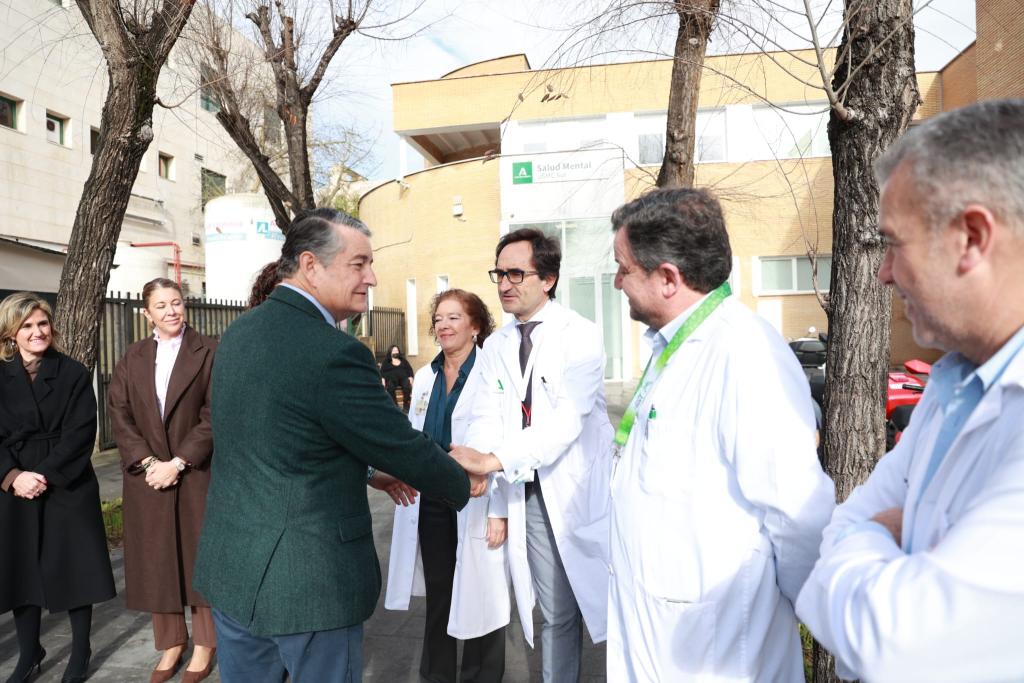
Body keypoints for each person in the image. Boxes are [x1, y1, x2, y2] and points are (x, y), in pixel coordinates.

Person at [192, 208, 485, 683]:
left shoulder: (239, 333)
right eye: (359, 263)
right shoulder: (333, 351)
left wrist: (369, 473)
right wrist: (463, 479)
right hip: (309, 584)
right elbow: (396, 442)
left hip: (234, 572)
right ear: (311, 265)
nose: (371, 277)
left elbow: (283, 437)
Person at [795, 99, 1024, 681]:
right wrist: (879, 540)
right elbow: (848, 522)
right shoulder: (955, 380)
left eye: (895, 243)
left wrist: (869, 539)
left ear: (972, 236)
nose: (883, 273)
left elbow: (902, 643)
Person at [606, 188, 835, 681]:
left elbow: (796, 513)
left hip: (719, 650)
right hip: (665, 634)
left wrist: (822, 620)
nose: (617, 281)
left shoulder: (745, 354)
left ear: (668, 277)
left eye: (623, 267)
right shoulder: (675, 349)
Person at [450, 228, 613, 683]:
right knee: (555, 611)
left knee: (611, 608)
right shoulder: (498, 346)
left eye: (516, 272)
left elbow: (566, 422)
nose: (504, 283)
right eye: (499, 273)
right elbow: (485, 413)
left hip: (580, 491)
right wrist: (483, 463)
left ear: (549, 279)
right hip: (529, 493)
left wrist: (493, 460)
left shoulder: (579, 335)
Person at [385, 289, 515, 683]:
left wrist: (500, 510)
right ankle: (437, 675)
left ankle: (483, 675)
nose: (443, 325)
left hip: (478, 497)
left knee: (484, 592)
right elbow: (413, 434)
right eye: (439, 317)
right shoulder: (425, 376)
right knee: (440, 593)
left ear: (476, 326)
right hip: (433, 500)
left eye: (454, 317)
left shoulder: (494, 372)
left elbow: (508, 442)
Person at [0, 292, 116, 683]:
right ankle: (29, 652)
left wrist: (43, 475)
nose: (37, 332)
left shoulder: (72, 373)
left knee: (74, 567)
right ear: (11, 334)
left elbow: (81, 433)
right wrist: (14, 476)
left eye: (42, 323)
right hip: (14, 483)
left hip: (66, 481)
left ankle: (80, 651)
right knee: (23, 570)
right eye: (27, 326)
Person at [107, 278, 218, 683]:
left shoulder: (208, 351)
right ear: (146, 313)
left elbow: (214, 412)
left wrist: (181, 460)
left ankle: (205, 645)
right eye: (161, 305)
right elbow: (119, 412)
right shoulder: (132, 356)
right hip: (149, 476)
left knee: (199, 557)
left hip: (195, 472)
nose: (171, 310)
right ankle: (171, 644)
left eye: (176, 302)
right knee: (158, 560)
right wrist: (149, 461)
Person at [380, 344, 415, 413]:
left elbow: (409, 369)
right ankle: (395, 406)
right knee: (390, 387)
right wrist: (383, 380)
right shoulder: (386, 361)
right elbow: (381, 372)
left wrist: (411, 377)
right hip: (391, 379)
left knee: (407, 386)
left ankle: (406, 405)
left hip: (403, 378)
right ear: (390, 352)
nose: (396, 352)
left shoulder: (403, 360)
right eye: (394, 350)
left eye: (397, 350)